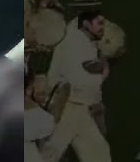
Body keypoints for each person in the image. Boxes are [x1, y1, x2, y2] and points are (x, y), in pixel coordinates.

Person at [42, 11, 112, 162]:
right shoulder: (74, 41)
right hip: (65, 106)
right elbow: (85, 73)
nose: (103, 27)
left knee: (100, 153)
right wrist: (104, 64)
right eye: (99, 23)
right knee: (49, 154)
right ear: (86, 24)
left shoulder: (83, 38)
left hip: (79, 108)